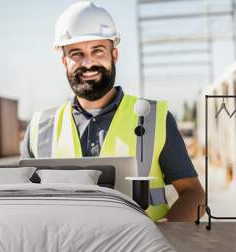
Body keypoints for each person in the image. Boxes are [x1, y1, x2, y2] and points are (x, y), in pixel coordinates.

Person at [21, 1, 205, 222]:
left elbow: (194, 195)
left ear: (114, 55)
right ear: (64, 61)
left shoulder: (154, 118)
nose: (88, 63)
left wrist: (160, 239)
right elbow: (25, 203)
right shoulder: (40, 127)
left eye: (97, 51)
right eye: (76, 53)